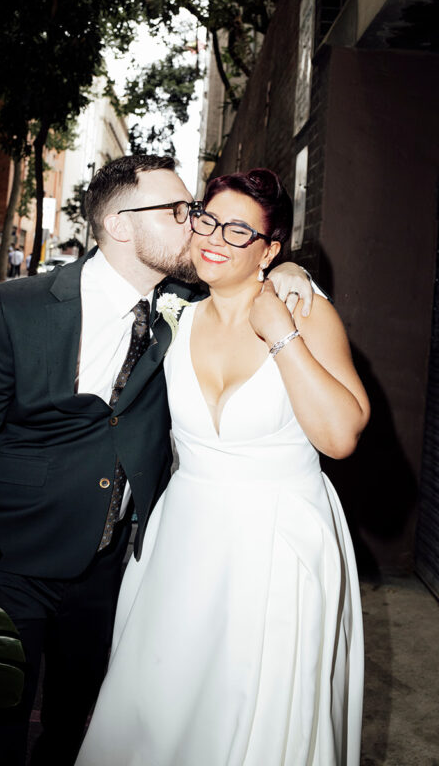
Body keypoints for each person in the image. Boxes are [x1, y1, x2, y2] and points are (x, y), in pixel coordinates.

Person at [0, 155, 314, 766]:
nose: (196, 223)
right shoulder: (16, 307)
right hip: (8, 561)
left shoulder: (188, 305)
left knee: (76, 732)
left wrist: (289, 268)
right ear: (119, 224)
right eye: (179, 211)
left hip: (110, 570)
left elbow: (250, 267)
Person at [76, 168, 369, 766]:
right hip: (182, 541)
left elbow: (340, 438)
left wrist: (282, 335)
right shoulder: (176, 313)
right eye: (209, 220)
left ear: (270, 249)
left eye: (240, 231)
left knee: (257, 714)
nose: (214, 238)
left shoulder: (305, 312)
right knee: (161, 706)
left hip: (277, 543)